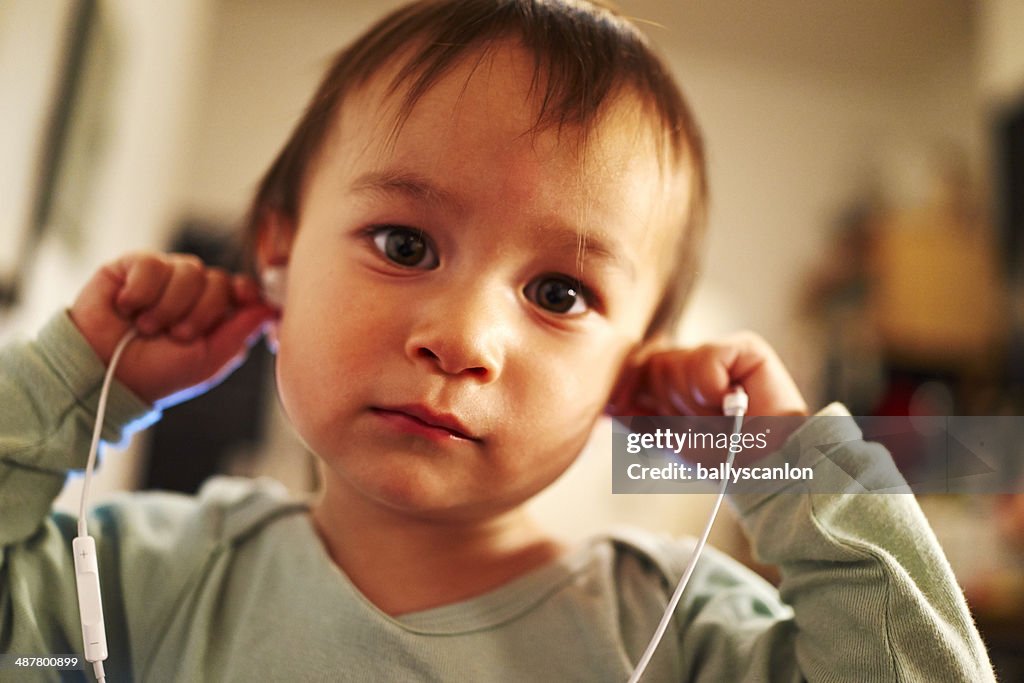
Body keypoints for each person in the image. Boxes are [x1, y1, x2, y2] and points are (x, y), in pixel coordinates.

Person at [0, 1, 995, 680]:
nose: (462, 337)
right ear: (278, 247)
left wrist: (789, 469)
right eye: (403, 242)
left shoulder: (678, 632)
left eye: (559, 291)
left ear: (634, 362)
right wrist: (69, 382)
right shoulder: (139, 578)